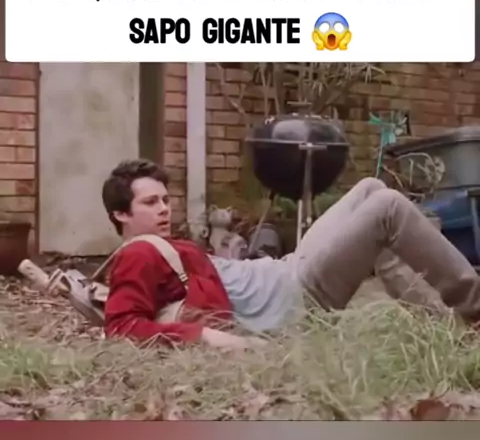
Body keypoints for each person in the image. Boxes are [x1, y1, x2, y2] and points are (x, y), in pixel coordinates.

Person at [101, 158, 480, 350]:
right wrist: (207, 336)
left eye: (165, 200)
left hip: (288, 269)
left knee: (370, 188)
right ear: (121, 215)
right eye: (150, 203)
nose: (164, 209)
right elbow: (122, 327)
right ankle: (474, 307)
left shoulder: (163, 244)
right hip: (297, 299)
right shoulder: (138, 254)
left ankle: (437, 326)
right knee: (387, 207)